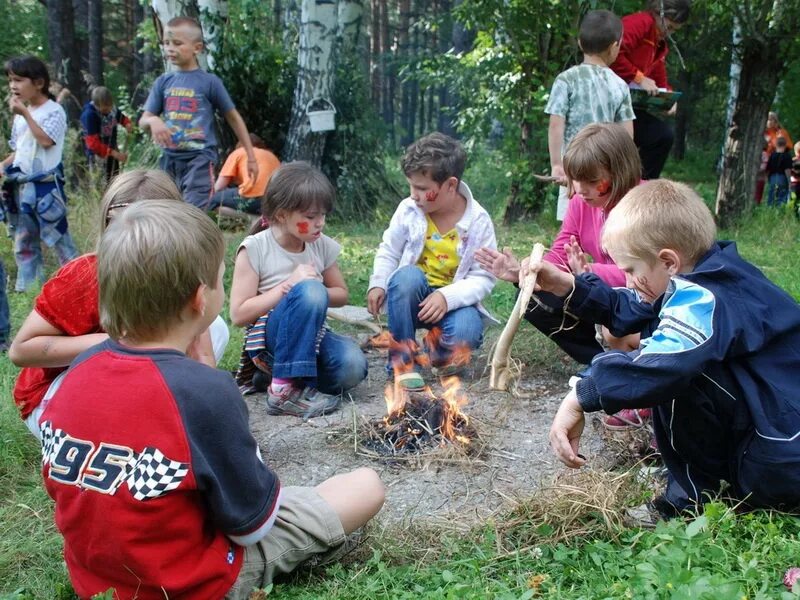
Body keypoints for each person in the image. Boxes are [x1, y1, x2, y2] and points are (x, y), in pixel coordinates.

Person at [38, 199, 385, 599]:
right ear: (200, 299)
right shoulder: (204, 391)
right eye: (222, 278)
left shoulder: (75, 374)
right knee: (364, 486)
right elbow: (251, 524)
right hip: (188, 582)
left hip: (97, 581)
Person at [527, 179, 800, 515]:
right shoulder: (711, 274)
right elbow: (635, 306)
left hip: (781, 464)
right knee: (677, 354)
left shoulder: (703, 299)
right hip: (781, 443)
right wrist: (567, 285)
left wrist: (581, 394)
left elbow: (660, 364)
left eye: (630, 270)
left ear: (669, 262)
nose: (626, 280)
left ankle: (689, 502)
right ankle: (705, 475)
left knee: (675, 372)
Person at [8, 169, 230, 439]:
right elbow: (21, 351)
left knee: (215, 325)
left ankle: (161, 418)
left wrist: (212, 409)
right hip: (58, 394)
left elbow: (202, 353)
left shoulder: (180, 272)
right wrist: (119, 344)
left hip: (128, 379)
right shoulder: (85, 276)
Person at [476, 123, 648, 430]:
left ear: (618, 173)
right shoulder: (583, 202)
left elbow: (644, 275)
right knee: (532, 297)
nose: (580, 190)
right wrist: (528, 270)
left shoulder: (643, 206)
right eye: (576, 180)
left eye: (591, 181)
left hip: (644, 299)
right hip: (603, 294)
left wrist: (589, 273)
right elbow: (563, 247)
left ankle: (640, 382)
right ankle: (603, 363)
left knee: (618, 328)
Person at [229, 162, 368, 418]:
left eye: (323, 215)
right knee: (309, 290)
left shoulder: (320, 245)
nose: (320, 223)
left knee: (353, 366)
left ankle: (280, 379)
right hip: (268, 340)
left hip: (312, 336)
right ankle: (283, 391)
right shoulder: (256, 248)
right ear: (281, 215)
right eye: (310, 217)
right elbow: (238, 314)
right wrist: (291, 288)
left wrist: (312, 296)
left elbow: (341, 294)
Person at [366, 132, 497, 389]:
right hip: (412, 297)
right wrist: (379, 282)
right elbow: (389, 250)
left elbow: (483, 276)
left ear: (450, 185)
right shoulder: (409, 210)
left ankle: (433, 350)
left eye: (423, 189)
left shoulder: (478, 221)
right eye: (411, 186)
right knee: (406, 277)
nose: (414, 195)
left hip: (453, 301)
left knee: (465, 335)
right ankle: (402, 362)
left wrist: (447, 297)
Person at [139, 16, 259, 209]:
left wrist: (251, 157)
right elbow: (143, 120)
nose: (170, 48)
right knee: (166, 209)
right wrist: (153, 121)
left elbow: (234, 118)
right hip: (169, 158)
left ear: (197, 48)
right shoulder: (163, 82)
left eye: (177, 43)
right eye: (166, 43)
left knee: (193, 209)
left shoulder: (209, 82)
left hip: (200, 159)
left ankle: (193, 237)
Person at [545, 9, 634, 221]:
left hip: (574, 167)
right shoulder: (620, 85)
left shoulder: (566, 79)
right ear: (615, 46)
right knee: (605, 223)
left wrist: (557, 164)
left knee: (572, 225)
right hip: (606, 170)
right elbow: (627, 135)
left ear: (580, 42)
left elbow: (556, 125)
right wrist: (623, 170)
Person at [0, 55, 78, 292]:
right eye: (10, 81)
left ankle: (79, 283)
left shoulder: (53, 111)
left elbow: (45, 141)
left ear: (38, 83)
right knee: (24, 240)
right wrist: (4, 164)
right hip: (22, 186)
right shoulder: (22, 115)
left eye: (19, 80)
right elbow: (21, 148)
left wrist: (25, 114)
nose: (13, 86)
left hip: (45, 188)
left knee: (58, 237)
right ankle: (32, 290)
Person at [610, 0, 691, 180]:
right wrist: (638, 77)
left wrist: (668, 97)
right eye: (668, 27)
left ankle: (640, 188)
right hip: (609, 105)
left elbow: (658, 75)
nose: (668, 33)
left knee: (662, 136)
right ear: (658, 13)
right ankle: (627, 185)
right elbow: (612, 53)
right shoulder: (640, 23)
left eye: (674, 30)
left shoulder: (658, 42)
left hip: (630, 107)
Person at [210, 133, 281, 219]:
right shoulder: (272, 156)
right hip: (274, 201)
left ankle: (251, 218)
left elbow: (218, 187)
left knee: (212, 199)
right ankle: (261, 218)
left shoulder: (239, 152)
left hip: (252, 198)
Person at [80, 86, 132, 181]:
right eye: (105, 109)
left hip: (112, 153)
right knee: (101, 184)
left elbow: (122, 118)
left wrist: (127, 124)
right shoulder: (89, 115)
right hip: (98, 157)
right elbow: (92, 144)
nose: (108, 110)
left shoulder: (112, 109)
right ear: (97, 105)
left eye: (110, 107)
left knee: (114, 180)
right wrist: (113, 153)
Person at [756, 112, 793, 204]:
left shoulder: (781, 132)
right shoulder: (761, 132)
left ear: (776, 121)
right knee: (760, 184)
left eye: (771, 119)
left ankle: (775, 206)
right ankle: (757, 202)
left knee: (776, 187)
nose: (769, 121)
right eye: (768, 119)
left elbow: (787, 147)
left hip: (776, 164)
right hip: (762, 162)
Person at [765, 135, 793, 207]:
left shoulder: (772, 155)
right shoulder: (787, 156)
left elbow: (768, 169)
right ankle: (779, 212)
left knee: (772, 196)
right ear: (785, 144)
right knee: (782, 197)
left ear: (776, 144)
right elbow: (787, 170)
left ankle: (770, 212)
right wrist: (789, 181)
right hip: (782, 177)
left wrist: (767, 179)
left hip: (772, 178)